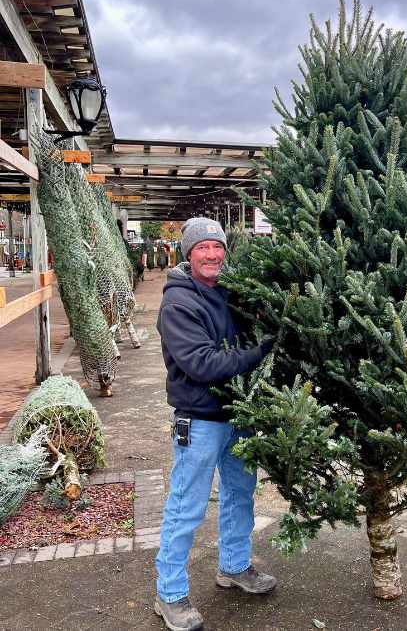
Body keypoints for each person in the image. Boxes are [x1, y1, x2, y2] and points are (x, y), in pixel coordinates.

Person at [154, 217, 276, 631]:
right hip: (200, 420)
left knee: (241, 495)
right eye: (203, 248)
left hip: (238, 414)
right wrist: (259, 351)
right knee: (186, 508)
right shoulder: (178, 303)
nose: (212, 255)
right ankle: (169, 594)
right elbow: (201, 363)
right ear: (188, 253)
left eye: (218, 247)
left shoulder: (229, 292)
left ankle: (235, 567)